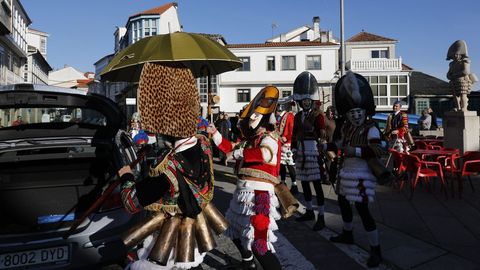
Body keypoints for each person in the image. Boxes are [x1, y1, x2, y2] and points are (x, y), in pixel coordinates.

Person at [117, 62, 222, 270]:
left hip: (169, 235)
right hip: (193, 224)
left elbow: (131, 203)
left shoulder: (167, 167)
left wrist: (126, 176)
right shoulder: (203, 142)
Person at [208, 86, 283, 270]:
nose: (251, 119)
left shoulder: (269, 137)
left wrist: (239, 153)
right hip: (243, 194)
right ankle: (248, 263)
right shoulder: (251, 139)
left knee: (260, 245)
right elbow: (230, 149)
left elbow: (265, 154)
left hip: (259, 196)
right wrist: (215, 133)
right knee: (232, 229)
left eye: (255, 116)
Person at [325, 72, 387, 268]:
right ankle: (348, 233)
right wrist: (327, 148)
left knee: (363, 210)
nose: (356, 115)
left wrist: (356, 150)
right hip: (346, 171)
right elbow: (338, 144)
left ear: (364, 111)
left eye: (358, 112)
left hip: (362, 172)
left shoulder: (372, 129)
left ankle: (376, 250)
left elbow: (378, 149)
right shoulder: (346, 128)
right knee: (343, 203)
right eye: (352, 113)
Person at [291, 71, 327, 231]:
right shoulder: (298, 116)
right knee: (304, 183)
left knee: (317, 185)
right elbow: (294, 133)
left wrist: (322, 143)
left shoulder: (318, 115)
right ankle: (310, 210)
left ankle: (322, 216)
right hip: (300, 150)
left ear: (311, 101)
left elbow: (322, 133)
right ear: (300, 101)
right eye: (303, 100)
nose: (306, 103)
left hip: (313, 150)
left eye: (308, 100)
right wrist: (293, 148)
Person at [446, 40, 478, 112]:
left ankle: (464, 107)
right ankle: (458, 107)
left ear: (461, 54)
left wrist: (454, 75)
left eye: (457, 54)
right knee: (455, 96)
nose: (455, 56)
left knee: (463, 94)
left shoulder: (465, 61)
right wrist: (449, 76)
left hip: (462, 80)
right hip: (454, 81)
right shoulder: (451, 64)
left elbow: (465, 71)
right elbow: (448, 73)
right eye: (454, 55)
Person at [277, 102, 298, 194]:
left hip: (288, 144)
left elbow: (292, 129)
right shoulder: (283, 116)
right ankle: (283, 182)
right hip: (282, 143)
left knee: (290, 165)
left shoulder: (290, 116)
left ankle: (294, 184)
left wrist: (287, 137)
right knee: (282, 164)